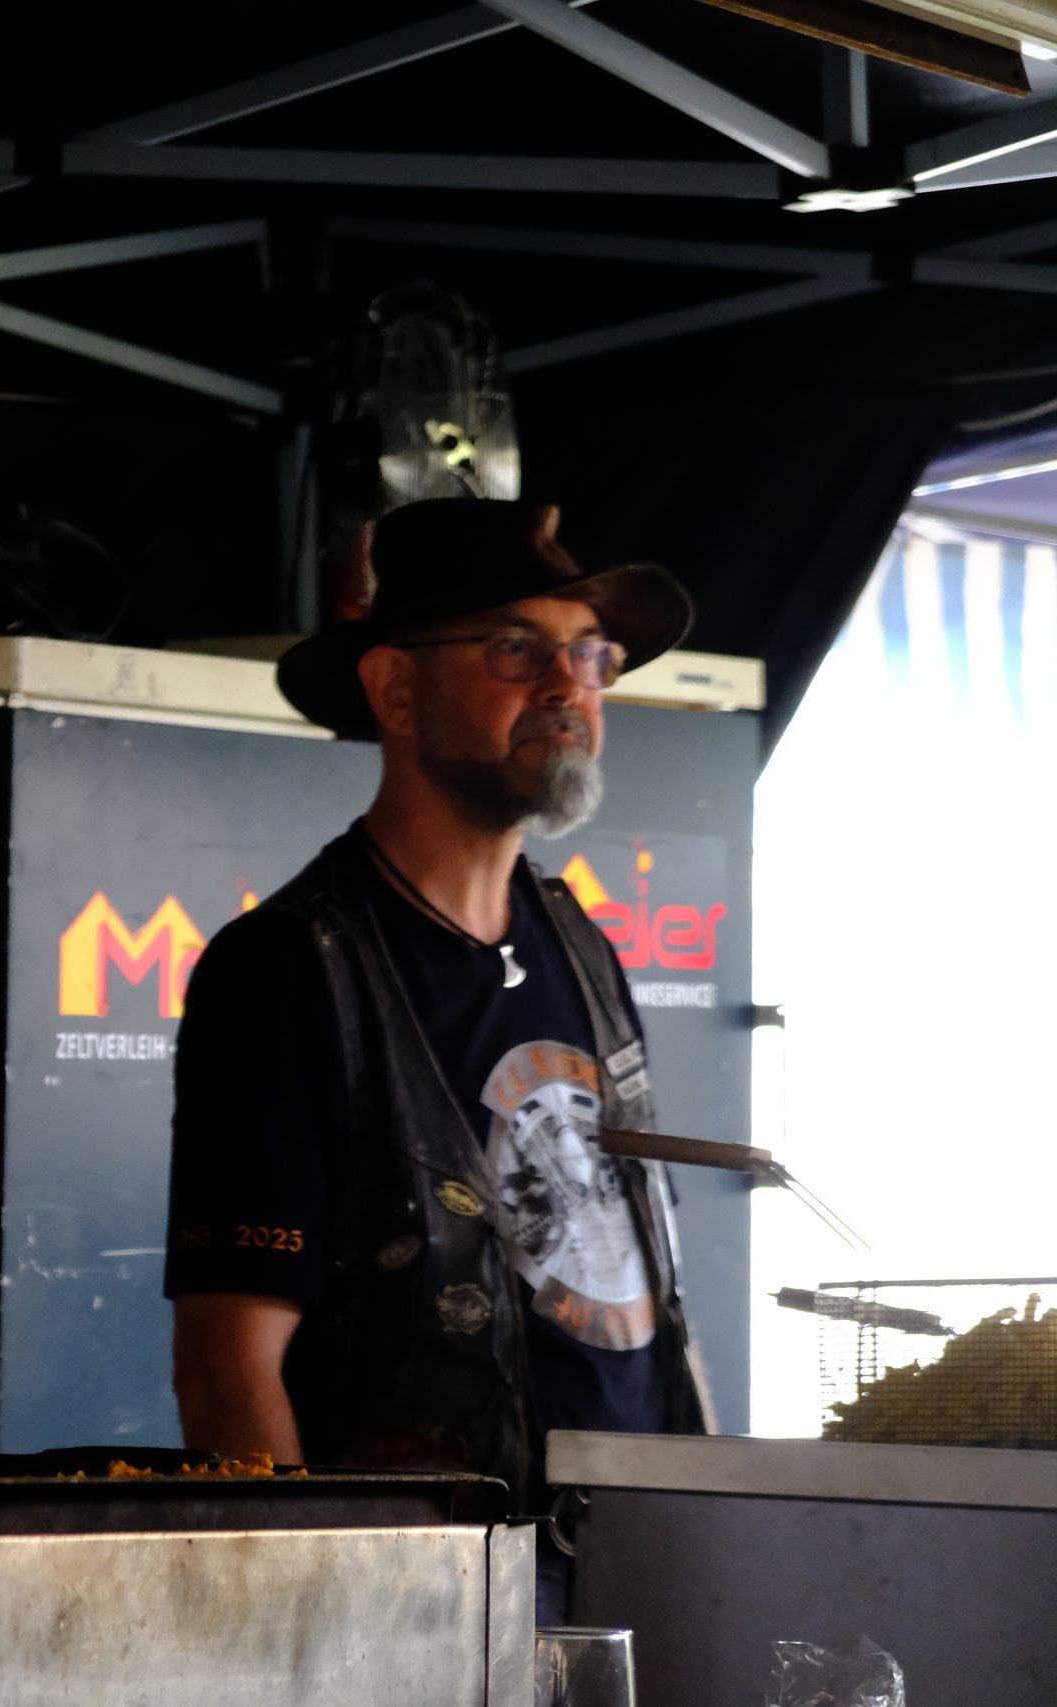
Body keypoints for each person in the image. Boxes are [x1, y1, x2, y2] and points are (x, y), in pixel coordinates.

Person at [163, 498, 710, 1616]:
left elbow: (643, 1285)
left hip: (642, 1560)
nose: (567, 685)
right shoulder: (284, 970)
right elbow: (227, 1367)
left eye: (589, 654)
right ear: (394, 690)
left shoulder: (579, 940)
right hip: (428, 1596)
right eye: (515, 647)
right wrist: (314, 1627)